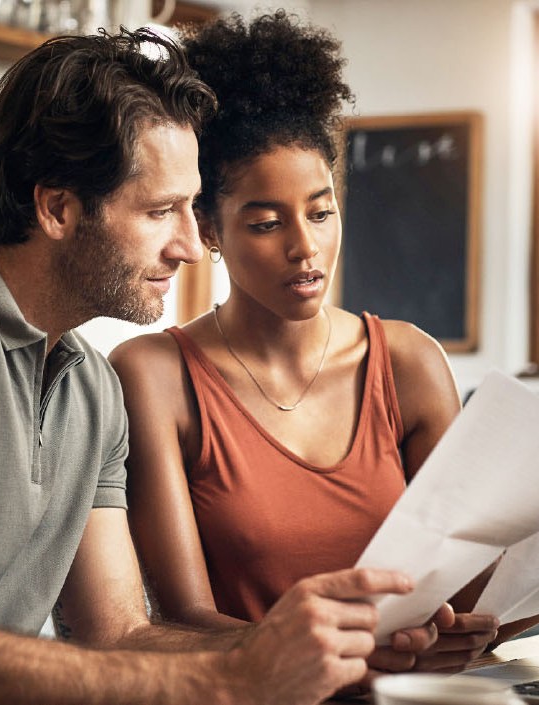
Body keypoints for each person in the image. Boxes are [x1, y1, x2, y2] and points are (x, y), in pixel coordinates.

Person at [0, 25, 420, 705]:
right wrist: (233, 677)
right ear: (57, 207)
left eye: (191, 209)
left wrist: (312, 643)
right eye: (163, 211)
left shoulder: (92, 385)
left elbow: (119, 633)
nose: (193, 247)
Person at [108, 10, 510, 686]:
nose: (305, 248)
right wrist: (347, 656)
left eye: (321, 212)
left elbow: (472, 595)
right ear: (207, 226)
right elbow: (182, 619)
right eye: (266, 222)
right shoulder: (155, 376)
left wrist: (472, 625)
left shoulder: (408, 364)